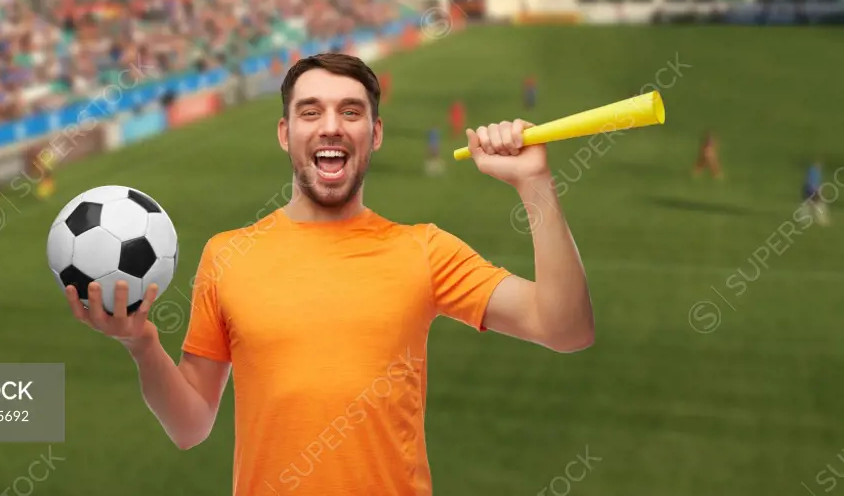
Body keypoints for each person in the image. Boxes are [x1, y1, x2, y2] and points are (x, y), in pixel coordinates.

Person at [64, 53, 594, 496]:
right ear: (285, 131)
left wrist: (535, 185)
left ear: (376, 132)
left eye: (351, 111)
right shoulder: (226, 255)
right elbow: (189, 426)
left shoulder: (425, 250)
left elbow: (566, 328)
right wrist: (143, 345)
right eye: (311, 111)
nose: (332, 126)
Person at [802, 160, 830, 226]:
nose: (820, 168)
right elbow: (812, 182)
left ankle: (803, 219)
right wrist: (817, 190)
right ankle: (822, 220)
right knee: (819, 204)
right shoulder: (814, 172)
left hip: (808, 190)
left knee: (809, 204)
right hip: (812, 190)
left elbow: (809, 181)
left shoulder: (812, 171)